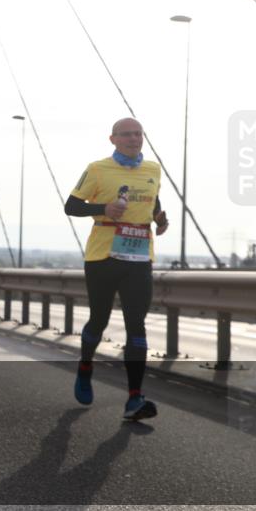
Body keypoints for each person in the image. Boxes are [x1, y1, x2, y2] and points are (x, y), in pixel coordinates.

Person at [65, 117, 167, 422]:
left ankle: (135, 398)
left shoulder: (153, 169)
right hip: (103, 257)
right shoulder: (97, 169)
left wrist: (160, 220)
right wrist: (103, 209)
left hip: (139, 259)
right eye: (126, 134)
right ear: (113, 139)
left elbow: (153, 201)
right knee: (100, 319)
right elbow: (71, 206)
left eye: (138, 134)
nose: (134, 139)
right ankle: (85, 366)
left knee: (137, 324)